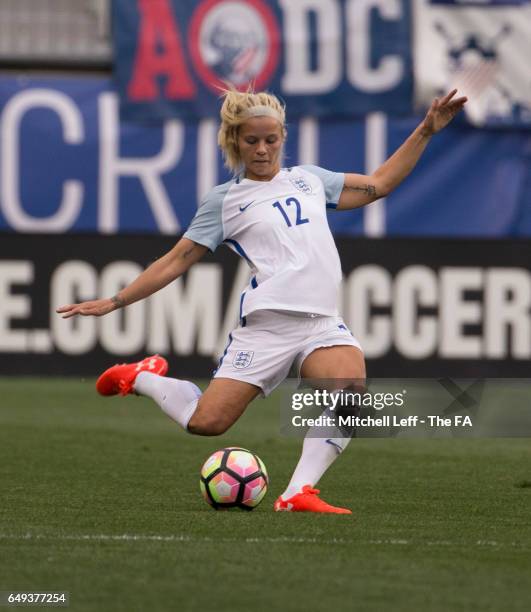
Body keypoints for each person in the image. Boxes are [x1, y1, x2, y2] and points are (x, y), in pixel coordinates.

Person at [57, 87, 467, 514]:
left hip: (322, 323)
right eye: (251, 140)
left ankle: (296, 493)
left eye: (271, 139)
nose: (262, 149)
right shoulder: (225, 200)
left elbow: (379, 184)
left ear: (282, 136)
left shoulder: (310, 180)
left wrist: (425, 130)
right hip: (268, 327)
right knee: (206, 423)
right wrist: (116, 301)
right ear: (234, 141)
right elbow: (177, 260)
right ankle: (141, 377)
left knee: (351, 397)